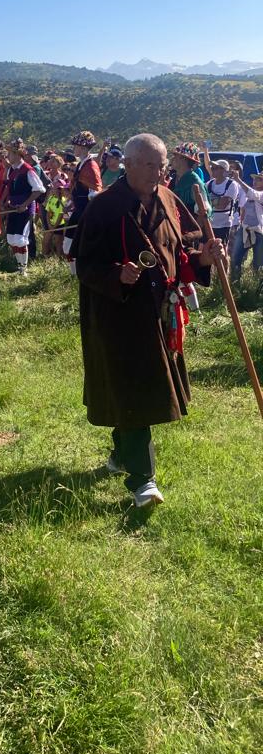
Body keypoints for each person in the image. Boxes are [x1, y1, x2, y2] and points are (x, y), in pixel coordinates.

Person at [70, 133, 224, 508]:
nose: (159, 173)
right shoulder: (104, 208)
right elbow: (85, 264)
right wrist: (115, 275)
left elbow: (183, 252)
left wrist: (204, 258)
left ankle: (123, 455)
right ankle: (144, 482)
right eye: (151, 165)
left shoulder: (170, 201)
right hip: (117, 316)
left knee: (136, 388)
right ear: (130, 165)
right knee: (134, 388)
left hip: (161, 312)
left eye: (163, 165)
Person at [0, 137, 45, 274]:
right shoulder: (11, 170)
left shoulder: (28, 170)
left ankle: (23, 270)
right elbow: (10, 188)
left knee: (20, 239)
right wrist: (5, 202)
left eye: (10, 153)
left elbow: (39, 189)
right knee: (11, 239)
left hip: (25, 210)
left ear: (17, 154)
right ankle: (19, 267)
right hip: (13, 208)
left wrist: (25, 204)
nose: (8, 156)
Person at [63, 131, 103, 269]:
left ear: (84, 148)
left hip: (86, 211)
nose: (74, 148)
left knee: (76, 245)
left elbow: (95, 192)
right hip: (79, 209)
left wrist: (90, 214)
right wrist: (70, 204)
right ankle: (75, 275)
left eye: (76, 146)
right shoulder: (81, 164)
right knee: (68, 244)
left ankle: (80, 275)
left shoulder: (90, 166)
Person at [230, 170, 263, 279]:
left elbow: (254, 194)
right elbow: (242, 209)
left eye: (260, 179)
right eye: (255, 178)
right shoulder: (249, 193)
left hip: (259, 233)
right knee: (235, 258)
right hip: (245, 229)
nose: (255, 181)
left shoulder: (260, 194)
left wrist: (238, 180)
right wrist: (240, 222)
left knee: (258, 265)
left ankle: (256, 290)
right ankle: (235, 286)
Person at [205, 158, 240, 245]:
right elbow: (202, 201)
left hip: (223, 224)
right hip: (209, 223)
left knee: (221, 250)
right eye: (212, 168)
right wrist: (216, 201)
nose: (212, 169)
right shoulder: (208, 184)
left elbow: (222, 205)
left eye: (215, 168)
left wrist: (208, 202)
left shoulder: (232, 184)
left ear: (223, 170)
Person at [169, 142, 210, 215]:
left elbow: (204, 210)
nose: (172, 159)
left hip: (189, 225)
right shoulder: (173, 181)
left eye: (176, 156)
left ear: (184, 159)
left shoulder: (194, 181)